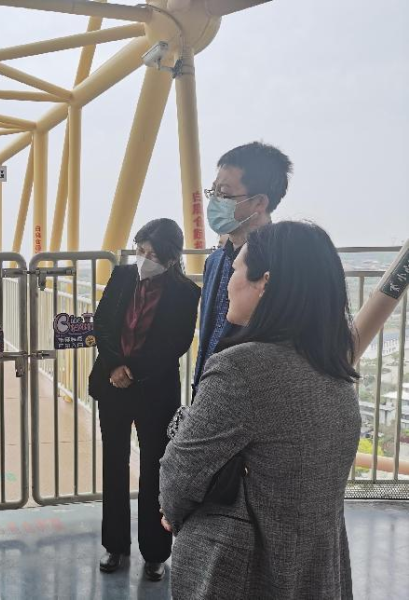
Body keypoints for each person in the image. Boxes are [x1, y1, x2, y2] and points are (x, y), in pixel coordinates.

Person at [159, 221, 361, 599]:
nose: (229, 283)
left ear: (263, 282)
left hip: (247, 573)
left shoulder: (241, 368)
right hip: (315, 569)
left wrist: (172, 512)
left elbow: (182, 471)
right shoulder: (332, 366)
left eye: (237, 270)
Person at [88, 219, 200, 580]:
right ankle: (114, 545)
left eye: (153, 255)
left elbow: (176, 342)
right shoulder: (122, 276)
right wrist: (114, 365)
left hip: (154, 389)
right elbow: (102, 323)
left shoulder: (186, 292)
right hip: (112, 384)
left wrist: (132, 370)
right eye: (140, 250)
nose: (144, 259)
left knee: (155, 467)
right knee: (114, 463)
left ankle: (155, 551)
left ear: (171, 259)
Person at [193, 142, 293, 390]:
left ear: (259, 202)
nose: (214, 201)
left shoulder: (284, 265)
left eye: (224, 194)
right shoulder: (214, 261)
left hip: (251, 394)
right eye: (213, 191)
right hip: (208, 389)